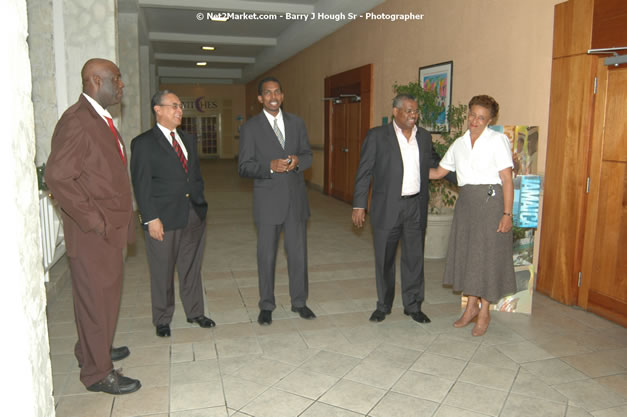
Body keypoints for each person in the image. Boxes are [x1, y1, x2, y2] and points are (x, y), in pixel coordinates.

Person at [45, 58, 141, 395]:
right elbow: (57, 175)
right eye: (117, 78)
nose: (122, 85)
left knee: (102, 298)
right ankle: (98, 372)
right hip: (93, 234)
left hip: (108, 230)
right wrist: (95, 221)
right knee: (97, 299)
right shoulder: (78, 121)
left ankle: (92, 350)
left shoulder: (97, 118)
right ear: (96, 81)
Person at [352, 94, 456, 324]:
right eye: (408, 111)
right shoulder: (377, 136)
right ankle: (384, 305)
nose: (413, 115)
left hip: (415, 206)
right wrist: (359, 204)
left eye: (415, 111)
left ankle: (413, 305)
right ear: (395, 112)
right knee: (385, 259)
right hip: (388, 207)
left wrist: (468, 179)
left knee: (414, 258)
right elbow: (364, 173)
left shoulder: (425, 137)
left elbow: (438, 166)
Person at [430, 94, 516, 336]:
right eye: (472, 115)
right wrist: (406, 168)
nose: (475, 121)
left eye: (481, 117)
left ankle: (485, 311)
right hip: (466, 204)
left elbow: (507, 179)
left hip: (491, 204)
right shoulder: (458, 144)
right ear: (468, 114)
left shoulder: (498, 140)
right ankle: (471, 307)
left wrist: (507, 213)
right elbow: (438, 172)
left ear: (490, 120)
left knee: (487, 257)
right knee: (469, 255)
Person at [130, 90, 215, 338]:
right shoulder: (144, 143)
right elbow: (141, 184)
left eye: (180, 106)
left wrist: (200, 204)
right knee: (162, 270)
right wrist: (150, 218)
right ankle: (163, 318)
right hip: (163, 219)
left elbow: (194, 176)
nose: (180, 110)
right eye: (174, 106)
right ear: (158, 109)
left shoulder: (188, 139)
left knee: (191, 267)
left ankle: (195, 312)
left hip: (193, 214)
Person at [238, 76, 315, 325]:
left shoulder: (297, 123)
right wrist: (269, 167)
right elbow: (244, 166)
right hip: (268, 203)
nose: (273, 96)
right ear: (260, 98)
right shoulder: (250, 128)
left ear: (282, 95)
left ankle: (300, 302)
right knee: (266, 256)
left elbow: (308, 155)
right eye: (267, 93)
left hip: (295, 202)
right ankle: (267, 305)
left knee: (298, 256)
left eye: (277, 92)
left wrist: (298, 162)